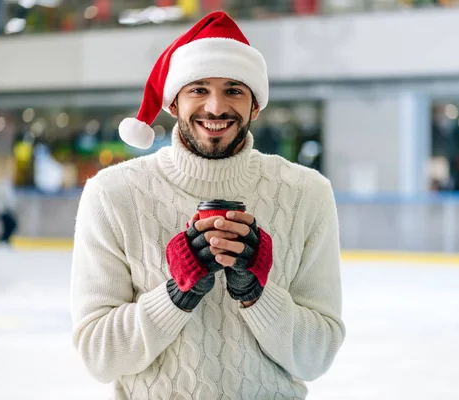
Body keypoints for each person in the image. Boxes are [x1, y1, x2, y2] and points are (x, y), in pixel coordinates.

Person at [71, 11, 345, 399]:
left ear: (255, 105)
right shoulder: (113, 194)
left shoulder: (307, 193)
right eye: (198, 89)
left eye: (233, 89)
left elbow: (317, 358)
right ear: (172, 104)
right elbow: (99, 357)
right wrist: (176, 295)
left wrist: (256, 292)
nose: (215, 107)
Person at [0, 175, 18, 247]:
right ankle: (3, 239)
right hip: (2, 211)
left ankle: (4, 240)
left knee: (8, 226)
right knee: (11, 225)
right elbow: (7, 200)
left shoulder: (3, 186)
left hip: (3, 210)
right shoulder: (2, 186)